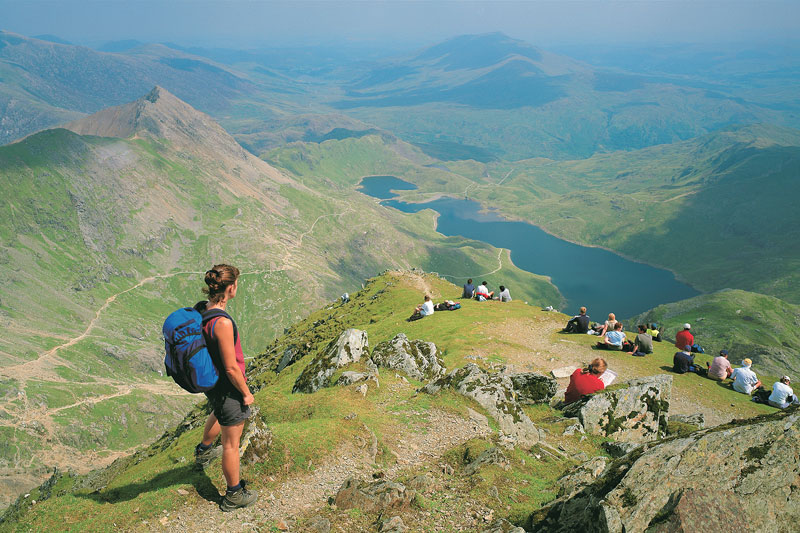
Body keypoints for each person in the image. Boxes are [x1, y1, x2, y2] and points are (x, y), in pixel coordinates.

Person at [194, 265, 258, 512]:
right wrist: (245, 393)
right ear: (230, 288)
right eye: (236, 284)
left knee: (219, 413)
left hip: (214, 384)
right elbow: (231, 368)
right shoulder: (222, 322)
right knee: (231, 445)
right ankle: (233, 495)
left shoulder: (204, 309)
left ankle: (204, 450)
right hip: (227, 385)